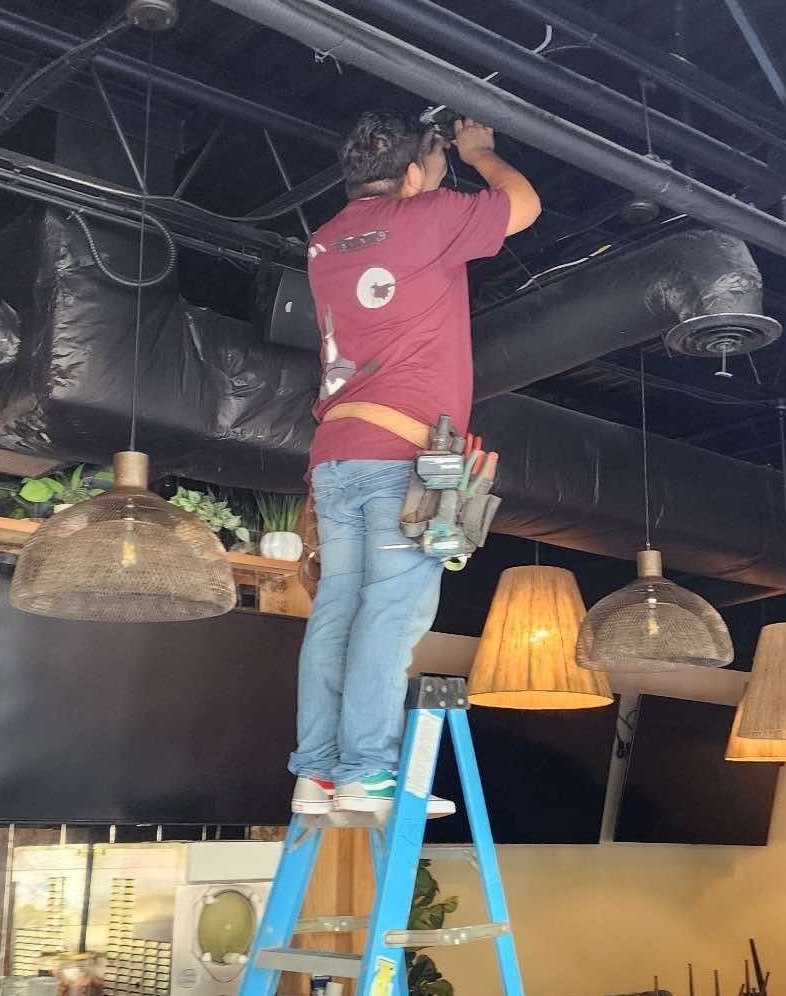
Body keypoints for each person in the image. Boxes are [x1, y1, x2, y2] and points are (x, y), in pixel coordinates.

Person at [288, 109, 541, 816]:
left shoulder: (324, 239)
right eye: (432, 170)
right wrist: (482, 154)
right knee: (390, 612)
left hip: (335, 456)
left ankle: (317, 772)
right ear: (407, 177)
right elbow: (523, 206)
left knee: (338, 608)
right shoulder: (422, 215)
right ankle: (367, 771)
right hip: (400, 456)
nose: (439, 180)